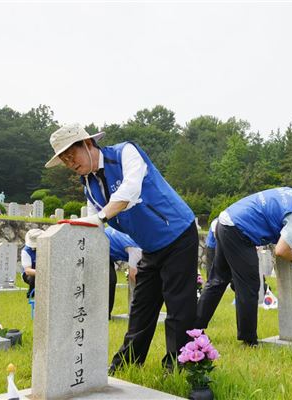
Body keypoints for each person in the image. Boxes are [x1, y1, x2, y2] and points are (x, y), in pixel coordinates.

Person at [44, 124, 198, 373]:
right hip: (148, 246)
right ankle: (126, 364)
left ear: (88, 144)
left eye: (72, 155)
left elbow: (130, 190)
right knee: (141, 308)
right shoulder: (89, 185)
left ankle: (181, 368)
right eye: (64, 160)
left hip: (177, 234)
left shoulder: (125, 152)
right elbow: (93, 224)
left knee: (179, 307)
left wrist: (101, 217)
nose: (70, 163)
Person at [196, 183, 292, 346]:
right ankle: (248, 340)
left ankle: (194, 331)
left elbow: (272, 218)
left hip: (226, 221)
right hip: (240, 231)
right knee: (249, 285)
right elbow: (281, 250)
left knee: (217, 281)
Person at [104, 226, 142, 319]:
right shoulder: (136, 247)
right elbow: (133, 275)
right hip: (99, 246)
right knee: (110, 280)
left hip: (109, 250)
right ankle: (104, 317)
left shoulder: (141, 240)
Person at [20, 229, 44, 298]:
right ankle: (31, 293)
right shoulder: (26, 251)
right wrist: (43, 272)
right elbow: (28, 271)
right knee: (34, 276)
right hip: (30, 275)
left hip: (46, 271)